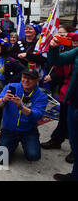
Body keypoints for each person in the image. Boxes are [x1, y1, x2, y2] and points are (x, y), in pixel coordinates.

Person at [0, 68, 48, 163]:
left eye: (30, 78)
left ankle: (23, 142)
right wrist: (4, 99)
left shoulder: (41, 96)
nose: (26, 80)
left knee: (34, 156)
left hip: (28, 130)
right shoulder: (11, 87)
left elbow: (37, 116)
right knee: (1, 160)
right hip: (9, 129)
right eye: (24, 77)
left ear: (37, 80)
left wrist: (21, 107)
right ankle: (13, 143)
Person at [41, 33, 78, 161]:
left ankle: (75, 151)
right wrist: (53, 48)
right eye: (69, 39)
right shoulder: (71, 53)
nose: (73, 41)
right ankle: (56, 140)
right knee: (64, 119)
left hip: (73, 93)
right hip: (68, 94)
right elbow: (57, 65)